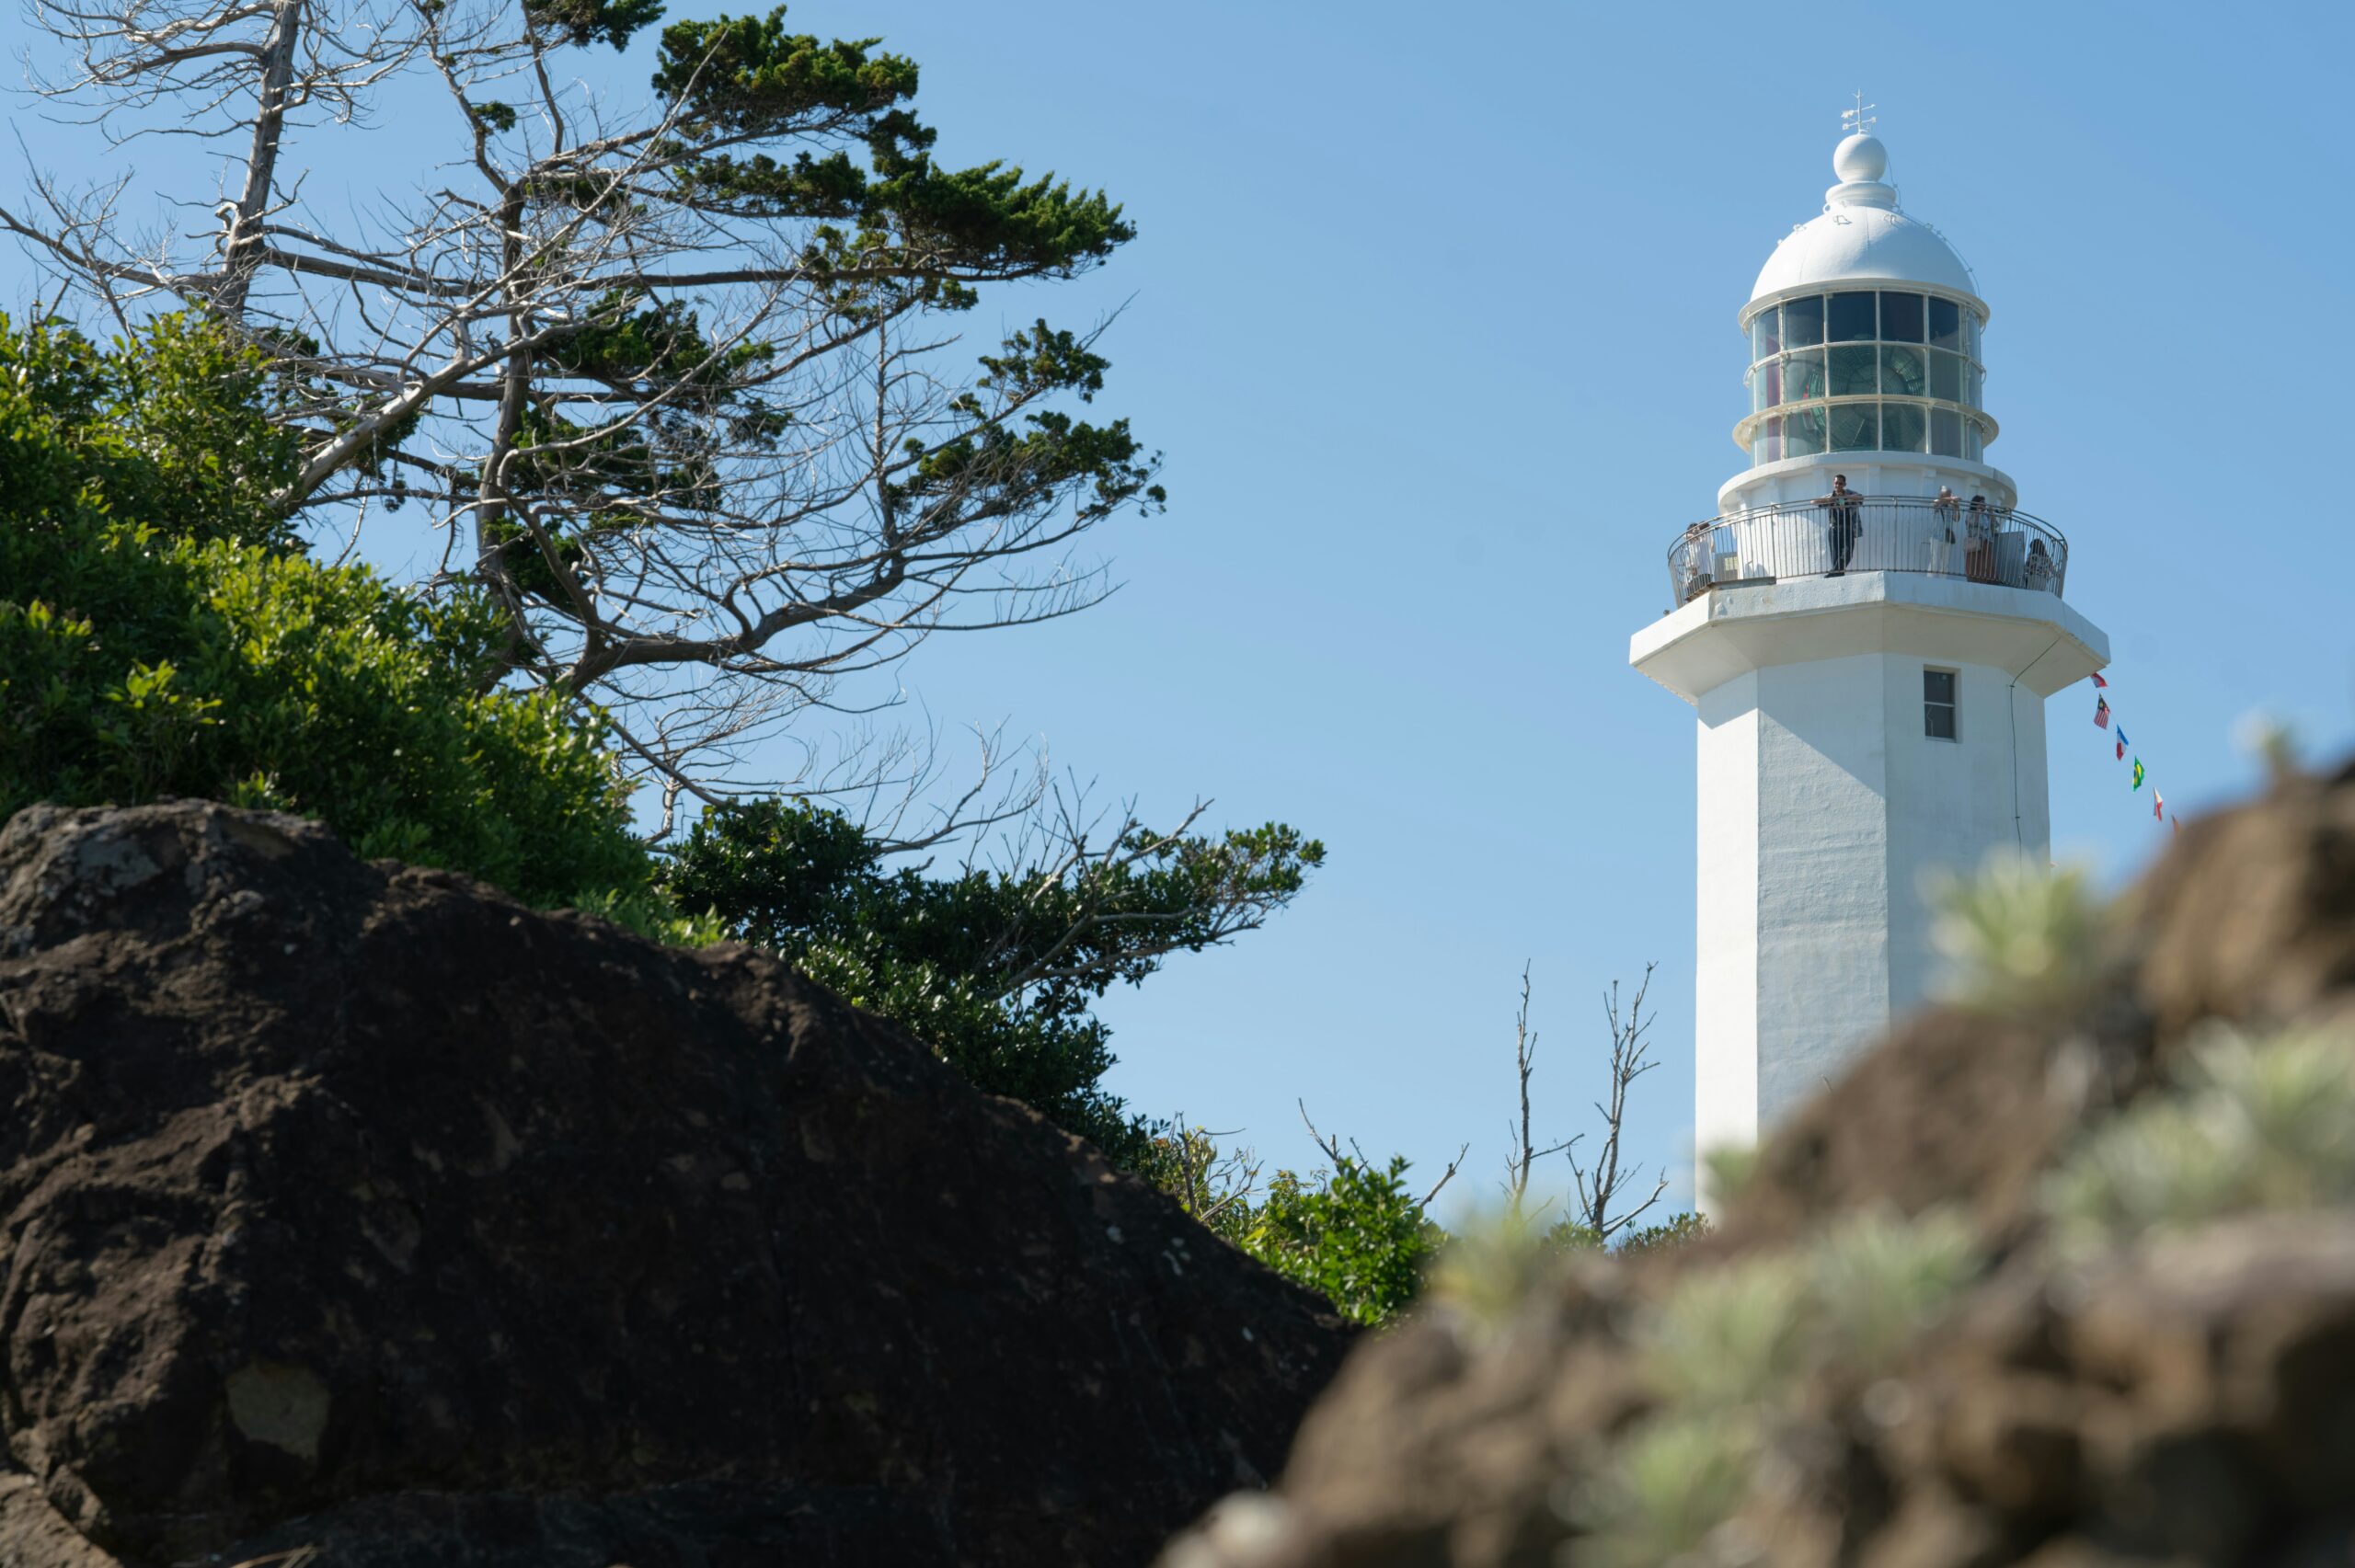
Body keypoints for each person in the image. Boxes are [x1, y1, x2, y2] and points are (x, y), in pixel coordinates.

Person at [1814, 474, 1862, 576]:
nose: (1838, 485)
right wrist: (1830, 500)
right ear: (1833, 483)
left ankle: (1833, 572)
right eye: (1836, 483)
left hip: (1848, 528)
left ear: (1844, 484)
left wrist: (1845, 498)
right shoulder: (1830, 496)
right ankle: (1837, 575)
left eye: (1840, 483)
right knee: (1835, 555)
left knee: (1848, 553)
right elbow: (1813, 502)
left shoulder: (1850, 493)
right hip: (1834, 529)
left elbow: (1861, 498)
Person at [1964, 494, 1996, 583]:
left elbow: (1994, 525)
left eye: (1984, 503)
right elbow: (1973, 523)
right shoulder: (1970, 514)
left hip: (1986, 542)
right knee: (1974, 563)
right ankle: (1974, 580)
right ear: (1976, 503)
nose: (1984, 505)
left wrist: (1992, 513)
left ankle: (1988, 580)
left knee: (1987, 562)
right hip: (1975, 541)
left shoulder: (1986, 516)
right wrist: (1978, 511)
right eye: (1982, 503)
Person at [1930, 486, 1960, 575]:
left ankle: (1943, 580)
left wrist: (1956, 506)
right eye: (1948, 495)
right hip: (1936, 536)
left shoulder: (1951, 507)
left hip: (1947, 537)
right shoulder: (1937, 502)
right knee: (1934, 561)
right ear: (1941, 495)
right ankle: (1930, 579)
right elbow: (1935, 504)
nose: (1950, 497)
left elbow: (1956, 518)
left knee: (1945, 563)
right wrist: (1951, 499)